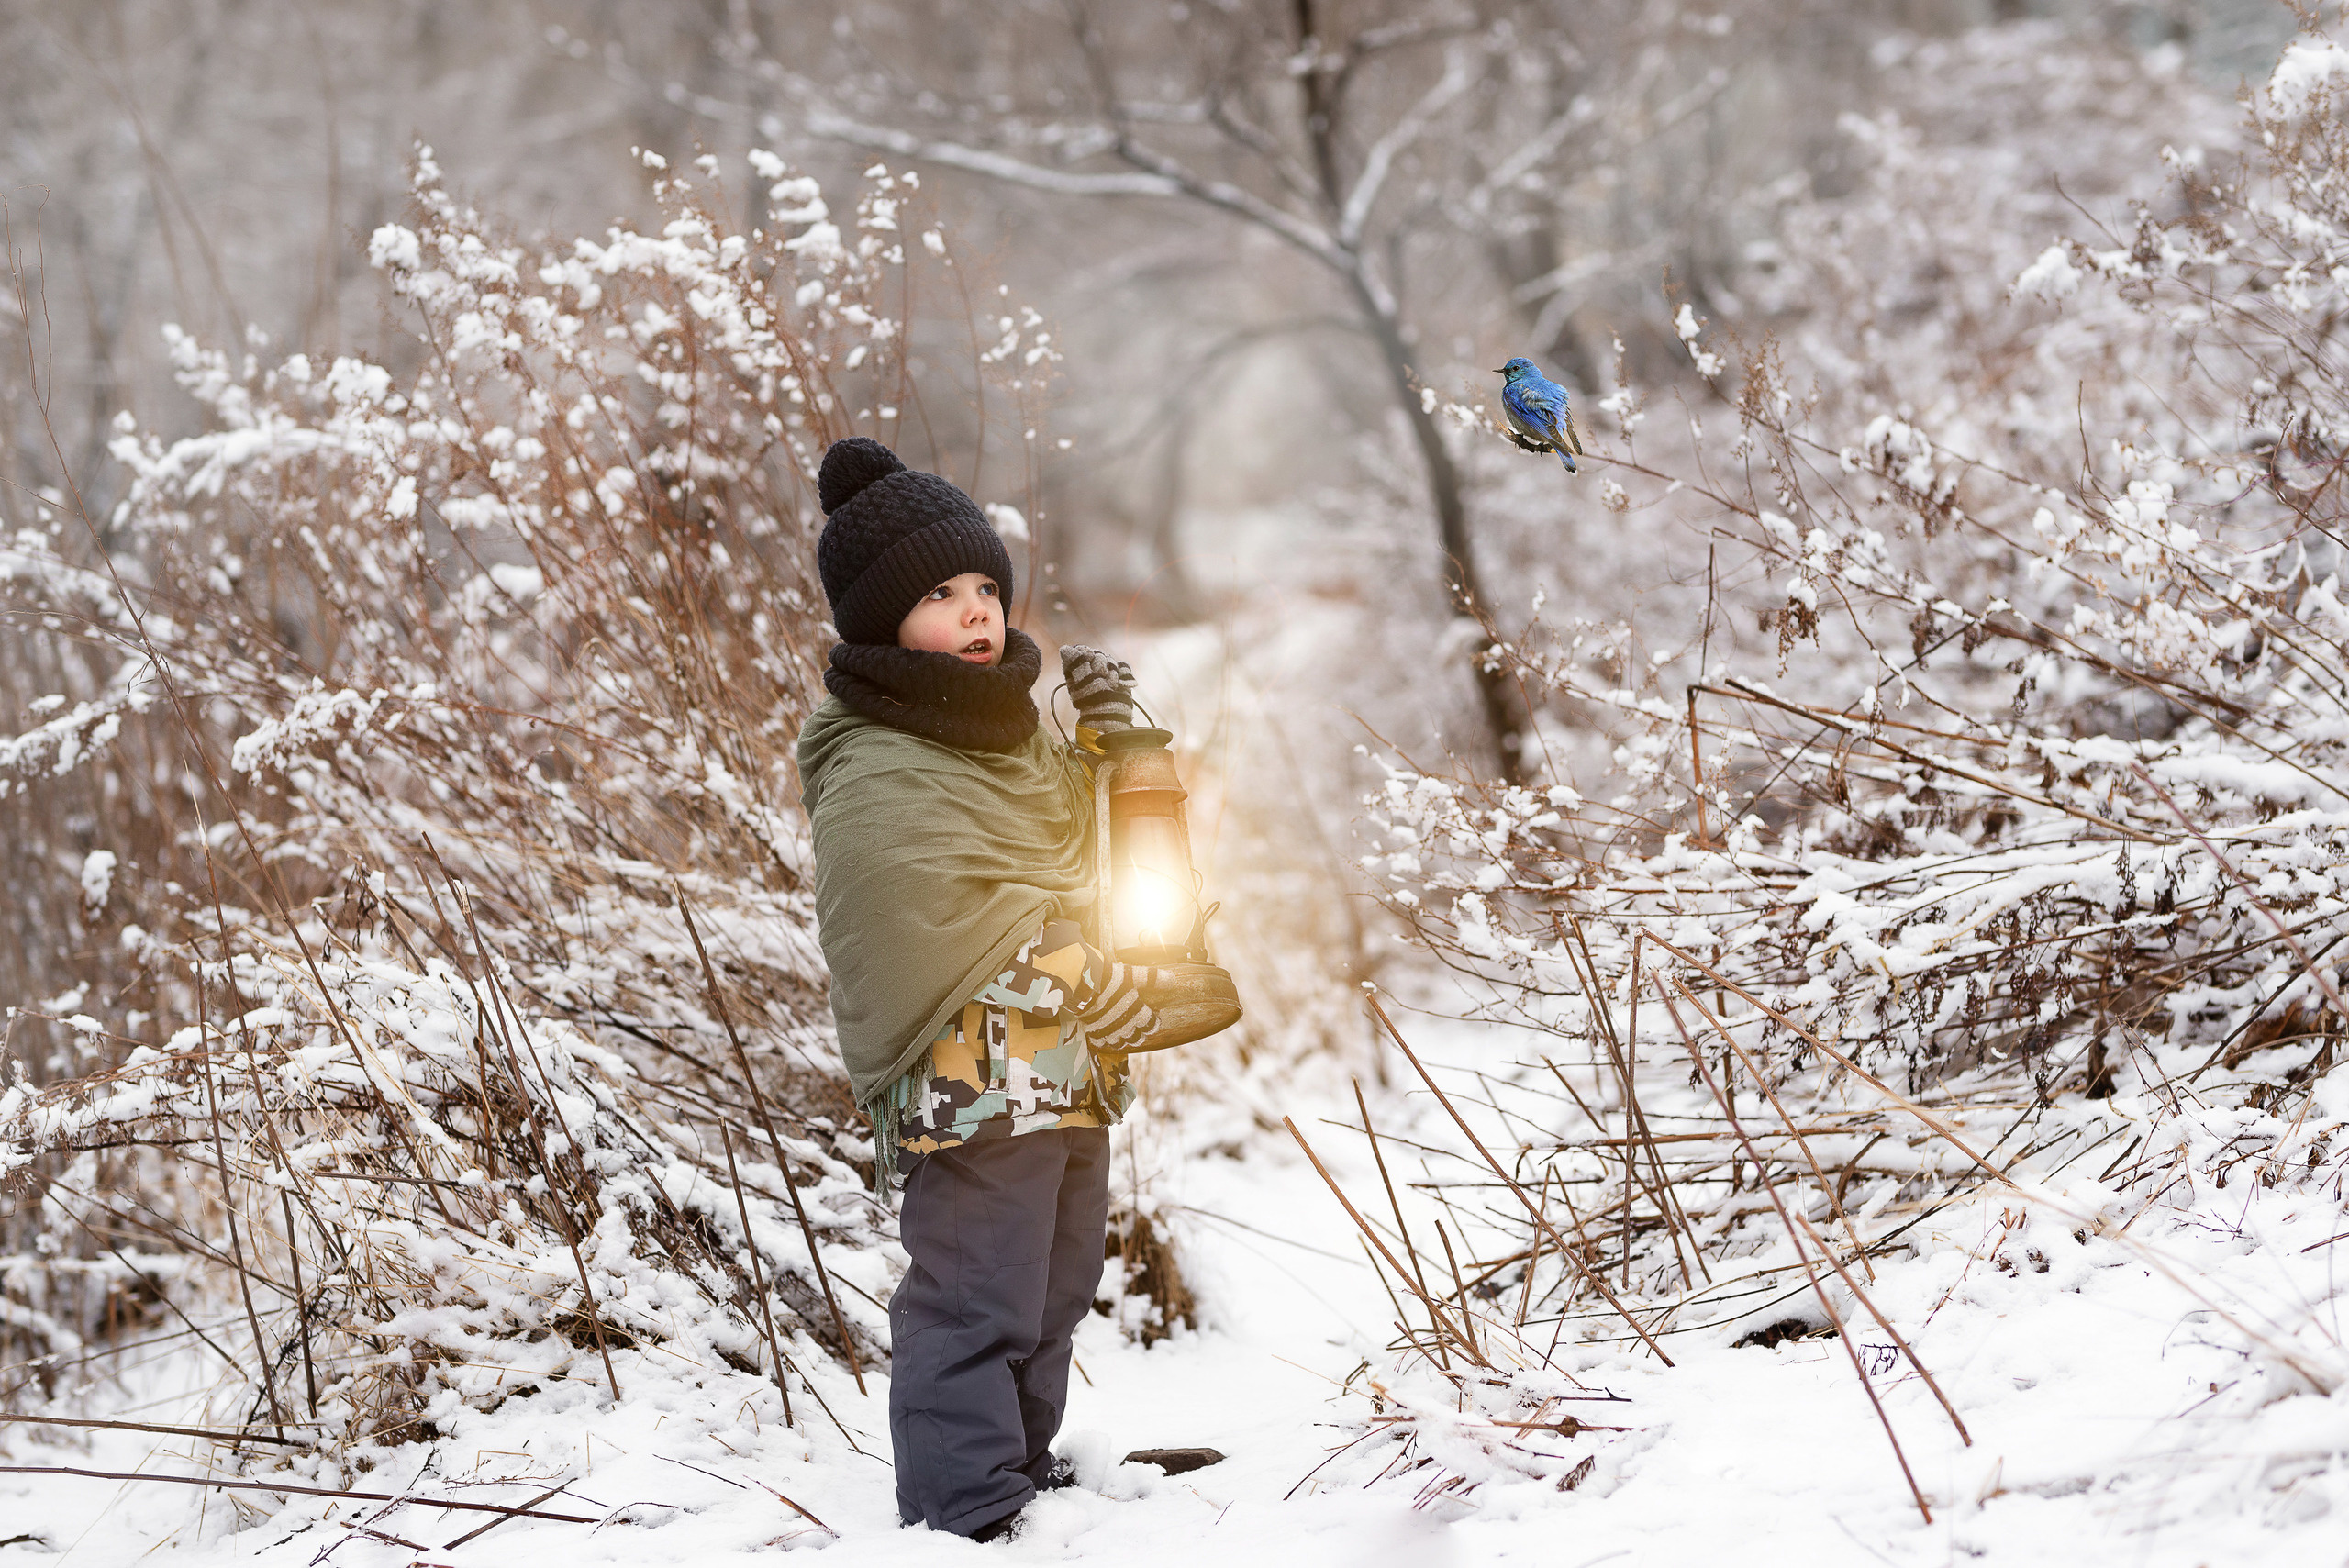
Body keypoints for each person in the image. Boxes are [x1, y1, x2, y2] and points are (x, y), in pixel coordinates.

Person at [796, 436, 1153, 1541]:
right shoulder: (875, 756)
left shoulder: (1010, 734)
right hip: (968, 1074)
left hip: (1063, 1055)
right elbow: (907, 905)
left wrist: (1116, 746)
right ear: (881, 620)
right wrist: (1063, 962)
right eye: (942, 593)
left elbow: (1084, 861)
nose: (977, 610)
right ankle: (961, 1507)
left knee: (1055, 1279)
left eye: (986, 586)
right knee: (975, 1288)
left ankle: (1017, 1464)